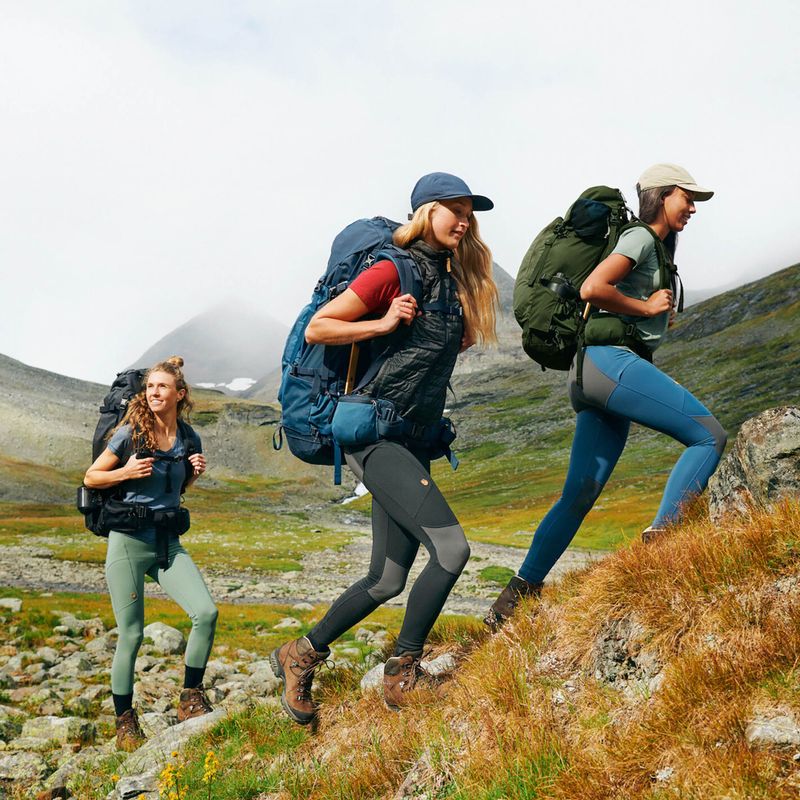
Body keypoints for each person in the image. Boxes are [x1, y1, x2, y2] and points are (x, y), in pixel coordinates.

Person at [271, 172, 498, 723]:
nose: (464, 220)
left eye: (469, 211)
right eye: (454, 208)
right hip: (374, 435)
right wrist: (381, 321)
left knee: (387, 578)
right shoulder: (392, 269)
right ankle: (402, 672)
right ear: (425, 211)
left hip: (411, 438)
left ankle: (300, 654)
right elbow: (320, 329)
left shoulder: (447, 280)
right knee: (451, 550)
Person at [485, 163, 727, 630]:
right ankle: (662, 544)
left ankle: (515, 598)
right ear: (662, 195)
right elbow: (593, 287)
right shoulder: (638, 238)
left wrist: (647, 315)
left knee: (579, 493)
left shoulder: (649, 245)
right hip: (609, 363)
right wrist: (645, 307)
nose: (693, 207)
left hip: (589, 374)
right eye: (686, 197)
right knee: (708, 437)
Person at [83, 356, 217, 751]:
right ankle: (126, 722)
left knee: (206, 613)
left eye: (162, 387)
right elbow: (92, 477)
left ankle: (191, 698)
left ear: (180, 394)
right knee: (132, 634)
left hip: (167, 543)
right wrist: (126, 471)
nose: (155, 392)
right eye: (150, 387)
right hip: (127, 544)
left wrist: (193, 473)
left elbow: (175, 491)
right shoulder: (129, 434)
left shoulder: (190, 438)